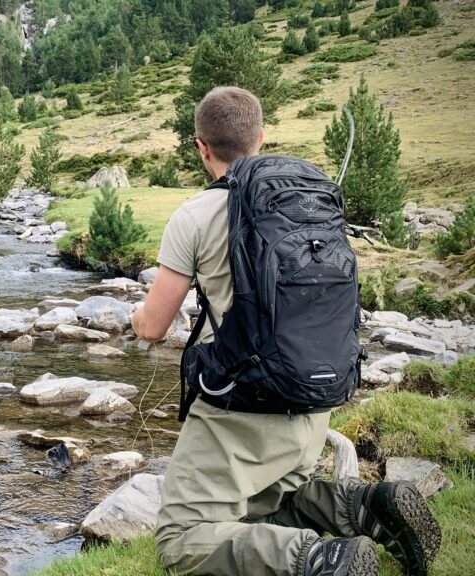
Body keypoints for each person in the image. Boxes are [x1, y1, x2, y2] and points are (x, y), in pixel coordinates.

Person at [132, 86, 441, 576]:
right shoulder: (309, 202)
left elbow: (151, 328)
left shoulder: (192, 216)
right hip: (315, 396)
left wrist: (133, 316)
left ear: (201, 147)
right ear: (261, 135)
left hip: (242, 408)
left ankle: (318, 559)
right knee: (267, 505)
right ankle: (369, 507)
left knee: (182, 539)